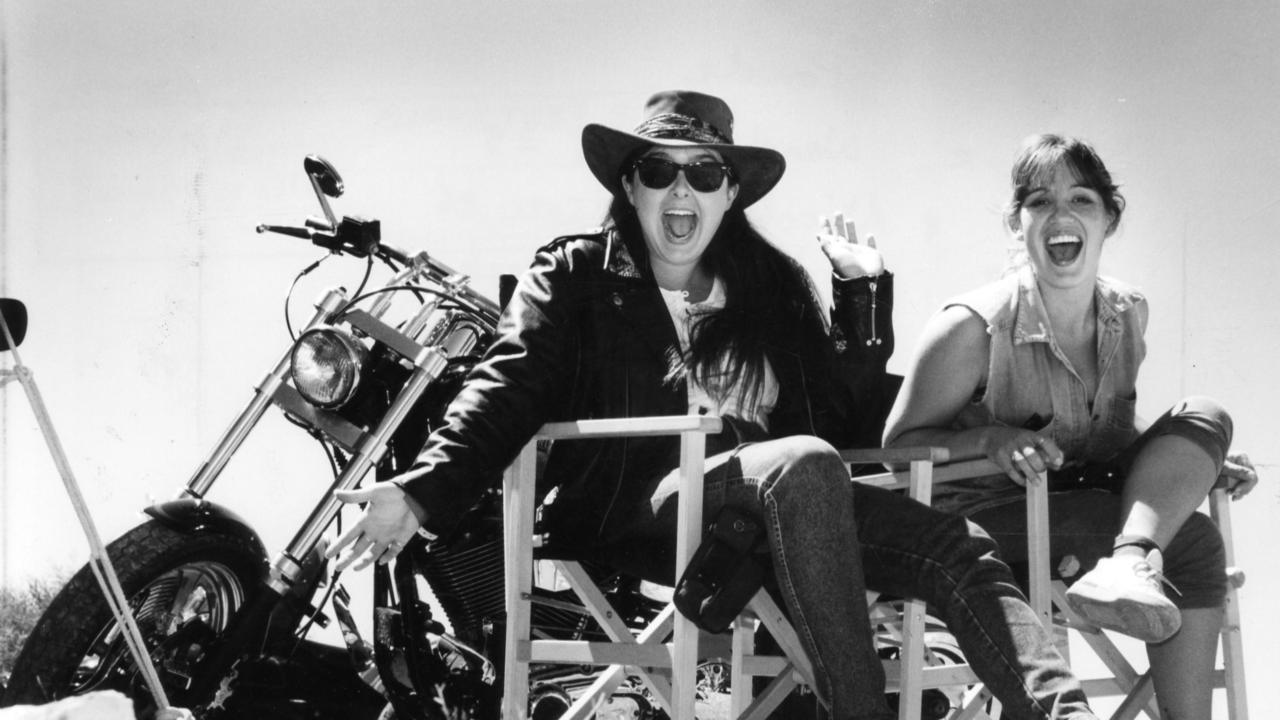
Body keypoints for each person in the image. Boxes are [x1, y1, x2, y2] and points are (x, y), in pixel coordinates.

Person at [328, 91, 1100, 720]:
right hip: (643, 506)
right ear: (629, 184)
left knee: (953, 545)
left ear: (730, 193)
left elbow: (832, 418)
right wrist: (423, 489)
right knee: (799, 466)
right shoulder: (575, 274)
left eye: (704, 174)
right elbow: (509, 381)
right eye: (660, 171)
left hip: (788, 506)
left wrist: (861, 297)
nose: (681, 191)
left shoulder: (767, 290)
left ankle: (1064, 713)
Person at [883, 133, 1259, 719]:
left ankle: (1130, 562)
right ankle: (1137, 568)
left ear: (1109, 218)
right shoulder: (972, 326)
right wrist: (988, 438)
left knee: (1207, 415)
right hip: (980, 532)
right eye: (1039, 202)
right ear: (1017, 223)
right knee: (1191, 541)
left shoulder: (1127, 312)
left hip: (1076, 506)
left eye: (1081, 200)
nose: (1060, 215)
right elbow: (895, 453)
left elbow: (1109, 437)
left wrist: (1194, 463)